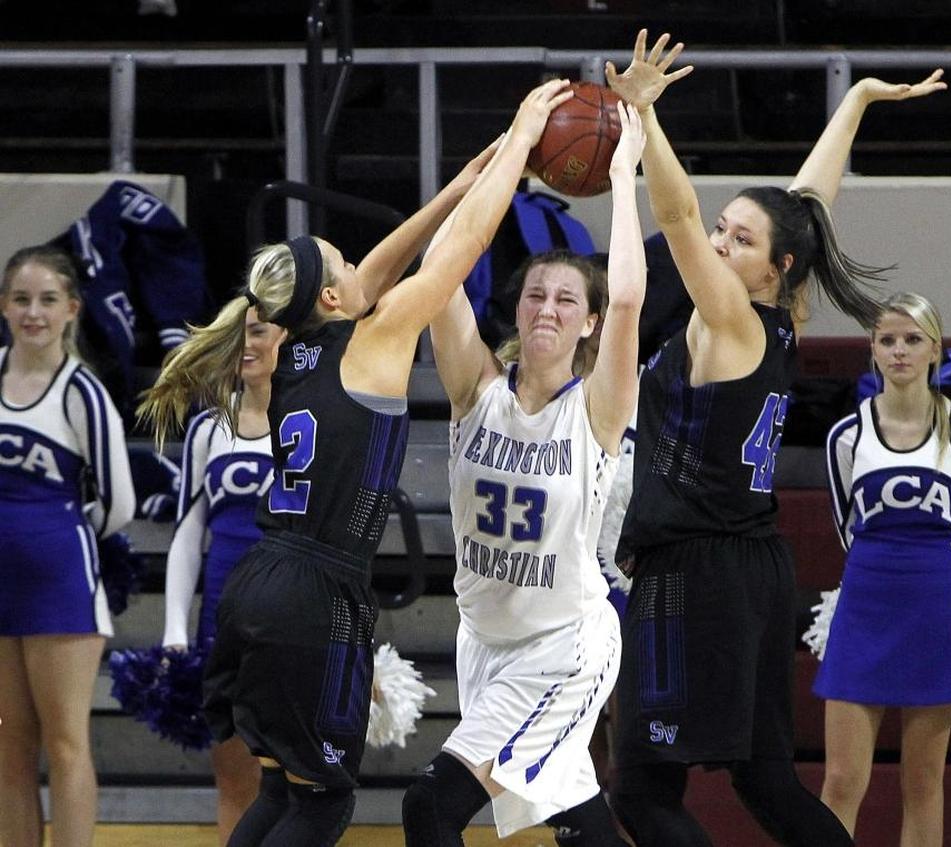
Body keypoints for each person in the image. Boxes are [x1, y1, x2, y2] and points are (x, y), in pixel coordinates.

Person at [137, 77, 575, 847]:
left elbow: (373, 272)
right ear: (333, 299)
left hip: (258, 582)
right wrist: (520, 137)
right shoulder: (370, 343)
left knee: (280, 783)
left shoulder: (298, 348)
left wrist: (460, 184)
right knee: (323, 803)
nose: (358, 271)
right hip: (315, 590)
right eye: (342, 263)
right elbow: (460, 253)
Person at [603, 29, 947, 847]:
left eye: (740, 240)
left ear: (774, 268)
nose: (720, 244)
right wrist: (857, 100)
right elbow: (810, 201)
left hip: (697, 568)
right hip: (750, 567)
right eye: (724, 229)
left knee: (642, 794)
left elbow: (677, 209)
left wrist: (646, 121)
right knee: (764, 781)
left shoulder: (727, 314)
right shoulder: (780, 306)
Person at [401, 101, 647, 847]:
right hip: (486, 639)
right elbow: (436, 275)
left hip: (563, 646)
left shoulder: (596, 407)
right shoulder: (476, 389)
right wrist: (512, 149)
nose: (547, 307)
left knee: (430, 806)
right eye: (537, 293)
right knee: (576, 814)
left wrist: (624, 179)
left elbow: (630, 292)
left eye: (568, 299)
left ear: (590, 323)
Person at [813, 292, 951, 845]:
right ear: (871, 349)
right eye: (887, 340)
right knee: (842, 780)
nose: (899, 351)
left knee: (922, 782)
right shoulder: (845, 436)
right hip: (865, 606)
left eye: (912, 340)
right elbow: (846, 526)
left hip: (935, 610)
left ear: (936, 351)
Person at [0, 245, 137, 847]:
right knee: (8, 741)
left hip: (60, 583)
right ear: (4, 306)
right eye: (22, 299)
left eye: (47, 300)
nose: (34, 312)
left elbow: (119, 502)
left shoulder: (81, 392)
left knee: (65, 741)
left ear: (72, 310)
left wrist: (55, 536)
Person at [161, 306, 286, 844]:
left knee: (294, 781)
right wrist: (174, 629)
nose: (246, 345)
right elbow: (189, 533)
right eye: (237, 336)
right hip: (224, 617)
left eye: (258, 331)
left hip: (291, 614)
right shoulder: (209, 427)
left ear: (287, 336)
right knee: (233, 773)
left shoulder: (312, 421)